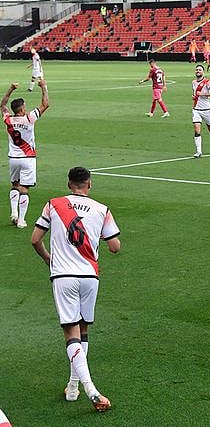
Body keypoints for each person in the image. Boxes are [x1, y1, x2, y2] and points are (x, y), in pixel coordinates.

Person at [30, 166, 121, 412]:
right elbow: (115, 246)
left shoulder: (53, 204)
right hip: (90, 276)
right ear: (89, 184)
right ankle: (73, 386)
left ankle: (90, 389)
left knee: (70, 333)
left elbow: (35, 239)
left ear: (69, 184)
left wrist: (49, 259)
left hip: (63, 276)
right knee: (83, 329)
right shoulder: (102, 210)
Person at [3, 80, 49, 229]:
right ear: (22, 108)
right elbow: (45, 105)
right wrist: (44, 87)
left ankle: (14, 213)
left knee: (14, 185)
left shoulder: (8, 119)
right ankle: (21, 220)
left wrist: (10, 89)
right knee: (24, 189)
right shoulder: (29, 118)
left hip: (13, 158)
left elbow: (2, 106)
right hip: (28, 158)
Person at [191, 65, 210, 158]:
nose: (198, 71)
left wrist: (202, 94)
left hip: (206, 109)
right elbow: (195, 94)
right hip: (196, 109)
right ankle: (198, 151)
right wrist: (194, 96)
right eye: (197, 70)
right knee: (196, 129)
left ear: (203, 72)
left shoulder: (208, 82)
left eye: (200, 70)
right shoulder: (193, 82)